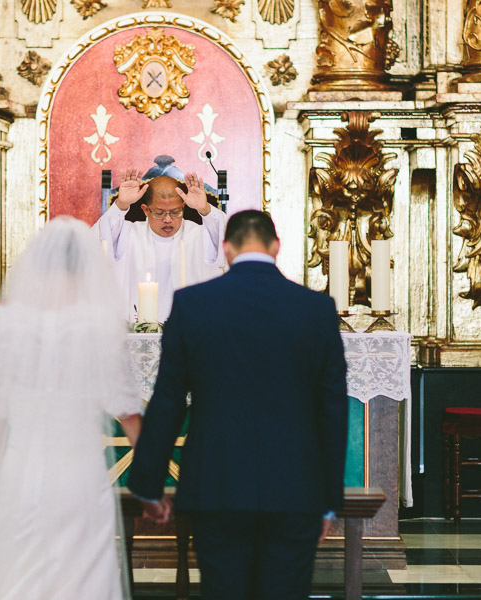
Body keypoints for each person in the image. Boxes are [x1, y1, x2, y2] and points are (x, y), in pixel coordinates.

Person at [127, 210, 349, 600]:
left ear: (226, 250)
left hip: (216, 484)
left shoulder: (192, 304)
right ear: (276, 247)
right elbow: (331, 410)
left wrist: (148, 485)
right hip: (295, 488)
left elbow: (168, 400)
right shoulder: (315, 309)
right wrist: (329, 500)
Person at [0, 217, 143, 600]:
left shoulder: (5, 319)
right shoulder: (100, 322)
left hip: (21, 469)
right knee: (84, 569)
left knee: (20, 570)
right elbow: (127, 410)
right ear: (85, 267)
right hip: (79, 473)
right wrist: (151, 480)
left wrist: (11, 461)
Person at [94, 159, 227, 322]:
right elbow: (100, 240)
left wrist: (204, 209)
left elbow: (225, 241)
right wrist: (121, 205)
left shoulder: (198, 234)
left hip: (189, 327)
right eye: (159, 213)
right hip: (139, 331)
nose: (168, 219)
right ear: (145, 210)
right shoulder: (129, 234)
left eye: (175, 212)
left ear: (183, 207)